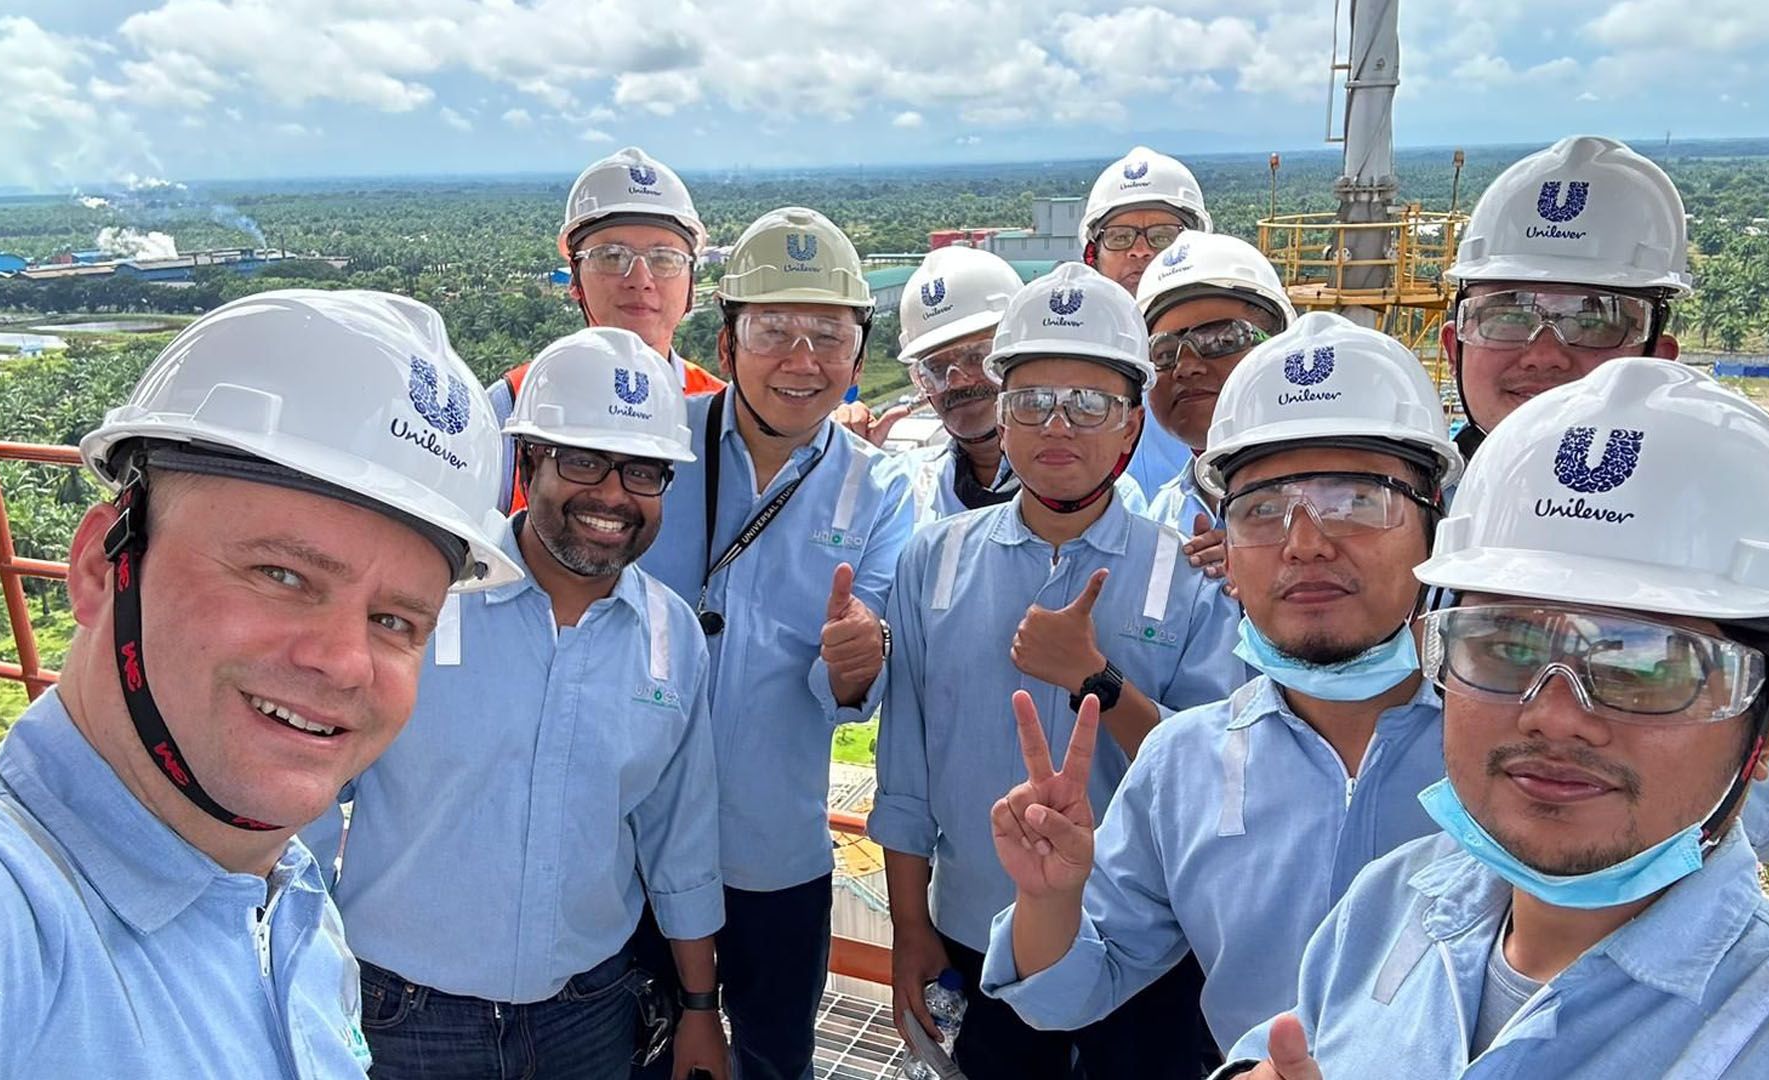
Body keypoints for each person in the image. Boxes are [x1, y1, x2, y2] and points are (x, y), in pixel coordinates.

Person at [0, 290, 517, 1077]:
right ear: (104, 567)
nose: (344, 662)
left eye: (395, 621)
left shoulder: (294, 907)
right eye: (282, 574)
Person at [1217, 359, 1769, 1079]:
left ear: (1766, 730)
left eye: (1645, 667)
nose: (1555, 716)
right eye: (1507, 647)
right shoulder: (1391, 904)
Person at [978, 313, 1462, 1059]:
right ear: (1227, 550)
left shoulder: (1507, 757)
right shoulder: (1185, 762)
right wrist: (1050, 898)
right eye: (1263, 509)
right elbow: (1069, 993)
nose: (1305, 542)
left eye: (1357, 501)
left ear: (1435, 524)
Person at [300, 329, 727, 1080]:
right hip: (402, 1016)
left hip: (588, 1014)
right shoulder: (424, 597)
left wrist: (700, 1010)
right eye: (583, 460)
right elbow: (303, 795)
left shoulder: (671, 636)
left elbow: (677, 838)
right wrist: (297, 977)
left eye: (643, 471)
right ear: (527, 463)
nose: (612, 495)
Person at [870, 263, 1248, 1078]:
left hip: (1141, 947)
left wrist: (1097, 681)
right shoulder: (934, 563)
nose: (1059, 427)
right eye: (1033, 401)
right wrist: (909, 927)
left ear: (1130, 427)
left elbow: (1215, 780)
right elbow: (903, 775)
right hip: (975, 935)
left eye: (1090, 405)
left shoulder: (1184, 576)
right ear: (1002, 420)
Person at [1444, 135, 1769, 864]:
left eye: (1594, 316)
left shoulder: (1726, 524)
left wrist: (1692, 735)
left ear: (1658, 354)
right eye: (1507, 311)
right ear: (1454, 345)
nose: (1543, 350)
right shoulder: (1390, 510)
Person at [634, 206, 914, 1080]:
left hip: (774, 853)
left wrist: (859, 660)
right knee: (631, 1056)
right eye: (774, 330)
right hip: (632, 837)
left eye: (828, 334)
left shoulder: (880, 493)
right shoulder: (652, 447)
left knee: (774, 1056)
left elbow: (852, 684)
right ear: (724, 347)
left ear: (858, 357)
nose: (803, 359)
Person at [490, 146, 726, 512]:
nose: (640, 279)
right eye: (611, 256)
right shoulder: (511, 406)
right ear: (575, 280)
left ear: (692, 282)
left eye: (665, 259)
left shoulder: (721, 413)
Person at [884, 245, 1146, 526]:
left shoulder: (1105, 495)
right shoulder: (904, 490)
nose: (957, 380)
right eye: (935, 369)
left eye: (975, 357)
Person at [1133, 230, 1296, 534]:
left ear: (1279, 349)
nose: (1186, 367)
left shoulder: (1342, 495)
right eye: (1164, 352)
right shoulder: (1163, 517)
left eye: (1221, 340)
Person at [1080, 145, 1212, 500]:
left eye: (1163, 236)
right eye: (1120, 237)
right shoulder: (1067, 358)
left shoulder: (1230, 360)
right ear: (1093, 256)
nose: (1140, 251)